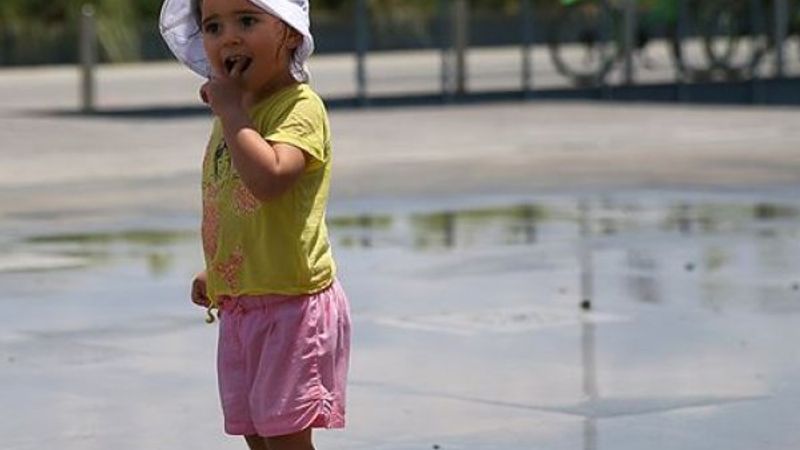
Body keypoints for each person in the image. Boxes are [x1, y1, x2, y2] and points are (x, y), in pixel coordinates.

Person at [159, 0, 351, 449]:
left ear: (289, 33)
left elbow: (268, 181)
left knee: (285, 436)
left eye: (247, 20)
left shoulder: (298, 108)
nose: (229, 36)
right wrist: (223, 266)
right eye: (212, 25)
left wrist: (233, 116)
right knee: (255, 432)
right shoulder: (237, 115)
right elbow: (238, 204)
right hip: (245, 303)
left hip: (292, 305)